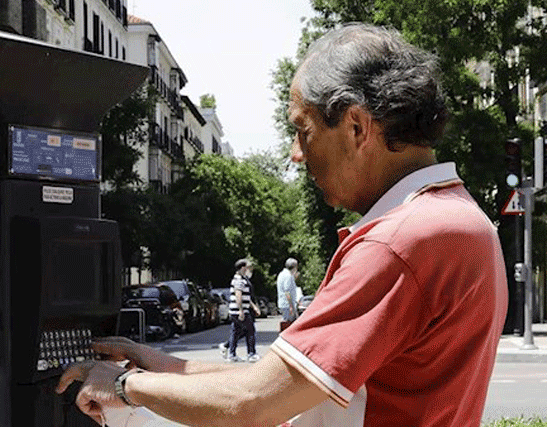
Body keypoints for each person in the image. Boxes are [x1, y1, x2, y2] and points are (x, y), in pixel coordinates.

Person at [57, 23, 508, 427]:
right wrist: (153, 363)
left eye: (303, 130)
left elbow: (253, 403)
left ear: (355, 126)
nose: (297, 152)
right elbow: (281, 378)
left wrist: (121, 387)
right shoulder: (461, 219)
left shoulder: (398, 242)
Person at [225, 258, 261, 362]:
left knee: (235, 332)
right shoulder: (239, 280)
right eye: (247, 267)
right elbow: (238, 295)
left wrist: (253, 306)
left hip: (237, 310)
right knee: (250, 331)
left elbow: (245, 297)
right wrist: (241, 310)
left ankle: (232, 354)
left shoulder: (241, 279)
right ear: (242, 268)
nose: (248, 270)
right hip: (238, 311)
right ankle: (251, 353)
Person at [277, 257, 301, 322]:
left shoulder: (281, 274)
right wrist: (291, 306)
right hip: (287, 305)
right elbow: (287, 292)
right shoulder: (288, 276)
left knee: (286, 322)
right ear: (294, 267)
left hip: (283, 304)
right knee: (289, 323)